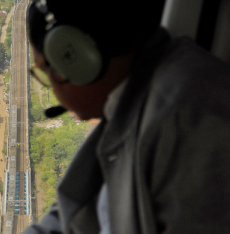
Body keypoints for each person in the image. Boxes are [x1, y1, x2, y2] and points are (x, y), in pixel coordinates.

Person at [24, 0, 230, 233]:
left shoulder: (188, 120)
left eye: (45, 70)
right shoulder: (135, 101)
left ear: (76, 58)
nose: (52, 87)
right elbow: (79, 217)